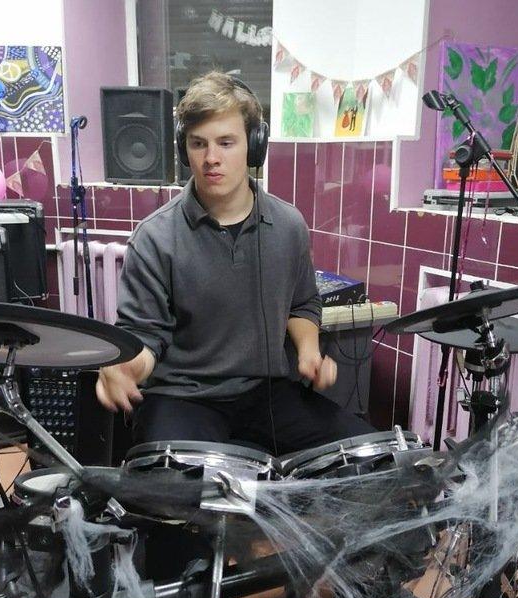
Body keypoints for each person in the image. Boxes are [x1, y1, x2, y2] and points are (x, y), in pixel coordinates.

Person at [96, 71, 372, 455]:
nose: (211, 158)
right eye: (198, 144)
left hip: (266, 394)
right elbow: (145, 336)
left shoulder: (288, 225)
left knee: (365, 457)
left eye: (226, 142)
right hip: (182, 397)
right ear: (184, 150)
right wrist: (124, 366)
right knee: (181, 481)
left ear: (254, 146)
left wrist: (309, 352)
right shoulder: (155, 237)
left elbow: (302, 304)